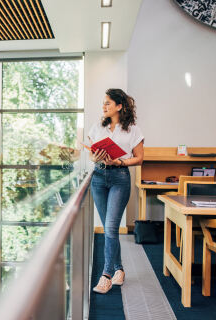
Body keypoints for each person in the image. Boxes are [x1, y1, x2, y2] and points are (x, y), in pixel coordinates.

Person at [89, 88, 144, 294]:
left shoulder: (133, 130)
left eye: (108, 103)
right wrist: (94, 158)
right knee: (108, 228)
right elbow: (93, 154)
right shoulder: (97, 127)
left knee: (111, 228)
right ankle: (119, 269)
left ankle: (106, 275)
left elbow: (139, 158)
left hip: (119, 178)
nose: (103, 107)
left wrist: (120, 161)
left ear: (119, 106)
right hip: (98, 178)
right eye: (103, 103)